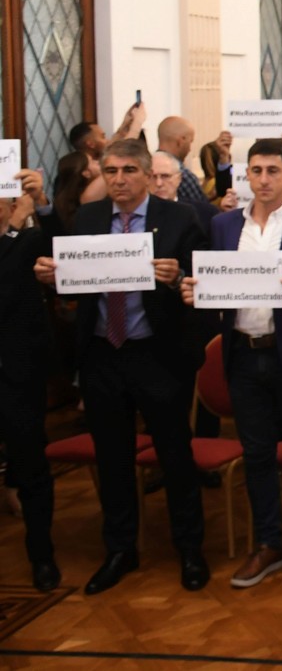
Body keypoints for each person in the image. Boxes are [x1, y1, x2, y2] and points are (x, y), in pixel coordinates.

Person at [32, 139, 210, 594]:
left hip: (157, 353)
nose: (119, 179)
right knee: (112, 458)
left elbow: (202, 286)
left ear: (149, 175)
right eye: (110, 171)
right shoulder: (90, 219)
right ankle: (120, 549)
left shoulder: (179, 218)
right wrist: (55, 277)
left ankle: (189, 549)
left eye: (129, 170)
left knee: (174, 456)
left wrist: (177, 279)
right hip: (101, 354)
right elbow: (72, 277)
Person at [182, 138, 282, 590]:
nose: (264, 179)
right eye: (256, 171)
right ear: (244, 176)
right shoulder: (224, 225)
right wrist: (197, 295)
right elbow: (218, 290)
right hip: (243, 355)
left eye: (273, 170)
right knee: (257, 455)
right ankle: (268, 542)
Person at [1, 179, 58, 590]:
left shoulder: (31, 240)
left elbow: (64, 247)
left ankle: (42, 556)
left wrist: (39, 204)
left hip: (17, 377)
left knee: (31, 467)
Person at [155, 116, 208, 209]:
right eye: (190, 142)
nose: (190, 149)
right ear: (181, 141)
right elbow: (203, 210)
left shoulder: (144, 168)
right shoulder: (184, 175)